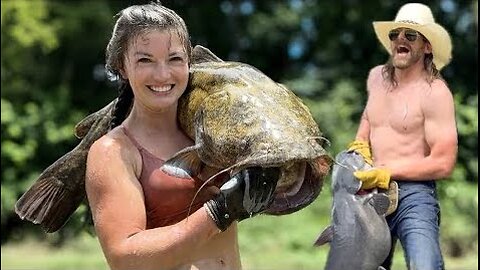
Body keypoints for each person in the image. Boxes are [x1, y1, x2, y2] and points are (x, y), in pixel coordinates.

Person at [85, 3, 278, 270]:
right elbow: (125, 256)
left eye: (175, 59)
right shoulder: (113, 151)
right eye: (145, 60)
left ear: (190, 61)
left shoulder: (214, 134)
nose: (162, 74)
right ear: (122, 66)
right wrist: (218, 212)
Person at [347, 3, 457, 270]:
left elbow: (443, 162)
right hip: (370, 194)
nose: (400, 39)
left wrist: (386, 171)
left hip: (414, 196)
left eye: (410, 35)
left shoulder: (436, 93)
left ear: (427, 46)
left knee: (425, 266)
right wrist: (358, 148)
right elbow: (368, 121)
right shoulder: (376, 78)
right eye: (395, 34)